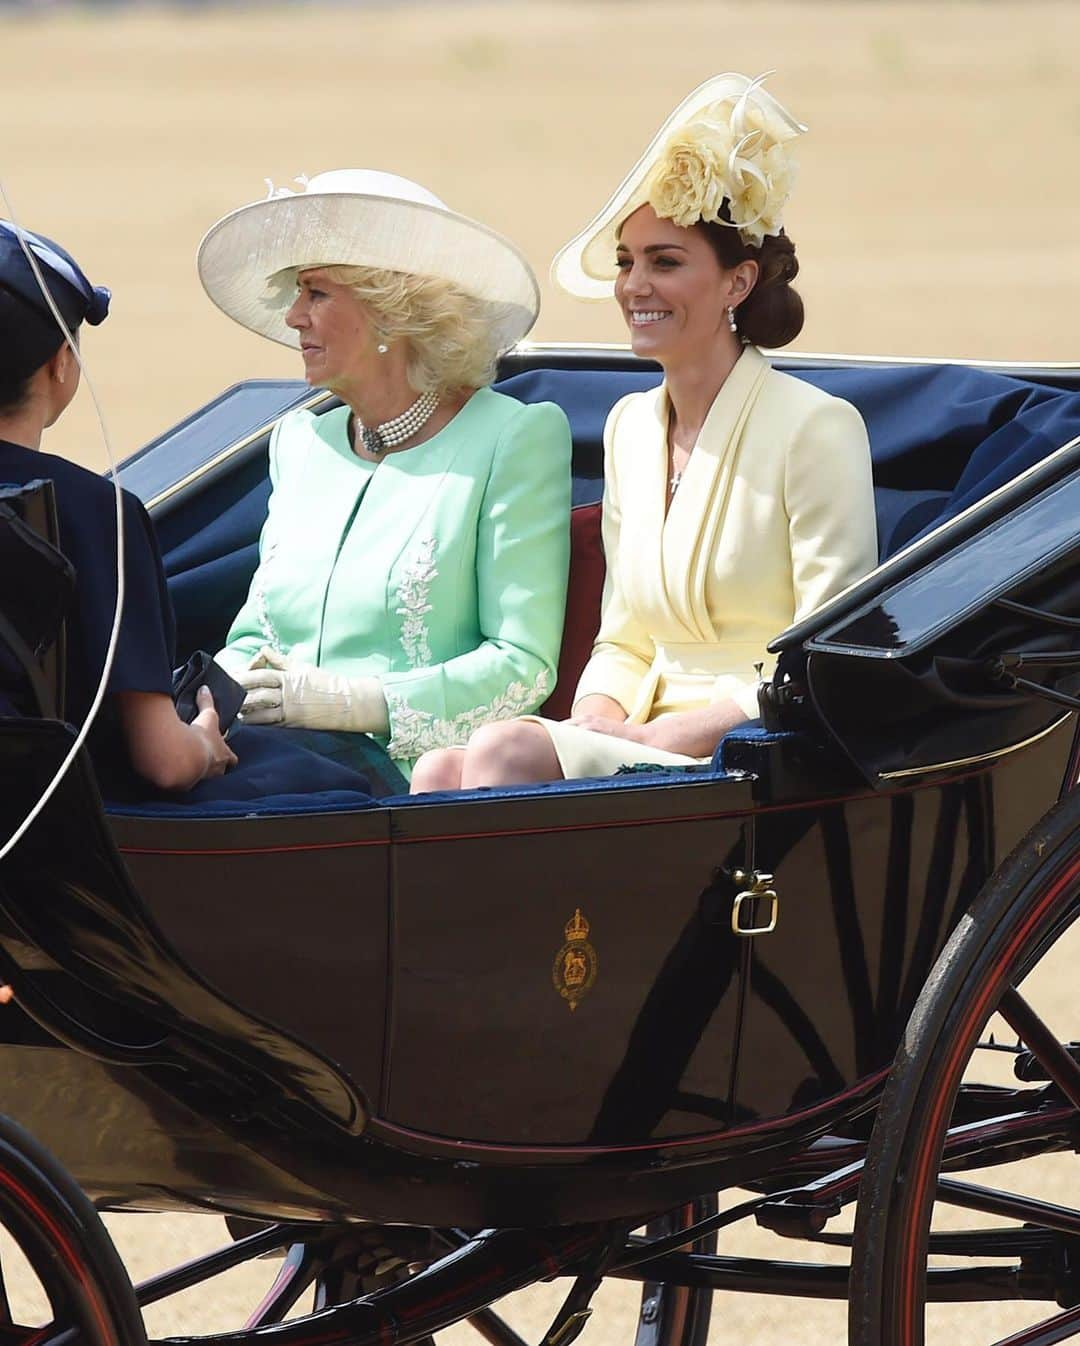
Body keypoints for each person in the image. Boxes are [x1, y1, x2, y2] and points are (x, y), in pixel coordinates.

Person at [410, 73, 878, 792]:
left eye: (666, 263)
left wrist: (656, 734)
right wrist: (595, 721)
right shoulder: (630, 428)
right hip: (640, 734)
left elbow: (824, 656)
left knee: (502, 755)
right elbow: (623, 639)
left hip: (753, 746)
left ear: (737, 283)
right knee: (443, 766)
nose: (634, 287)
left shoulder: (816, 427)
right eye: (628, 263)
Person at [198, 170, 572, 786]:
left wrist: (352, 703)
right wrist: (206, 712)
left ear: (390, 312)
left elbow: (522, 668)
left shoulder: (513, 438)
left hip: (394, 781)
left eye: (316, 293)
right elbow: (253, 638)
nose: (294, 316)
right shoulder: (300, 443)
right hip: (263, 759)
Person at [0, 219, 237, 793]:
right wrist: (206, 738)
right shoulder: (99, 513)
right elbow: (164, 761)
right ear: (60, 363)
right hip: (65, 839)